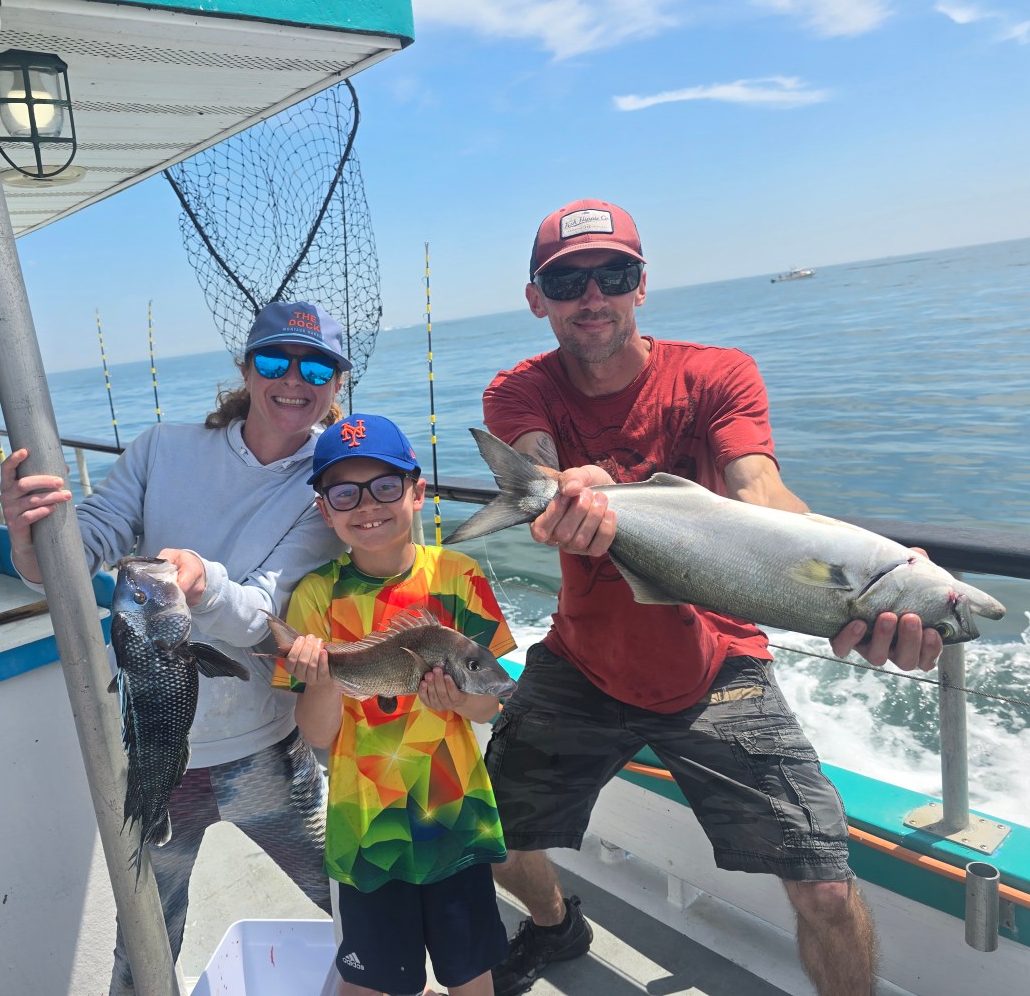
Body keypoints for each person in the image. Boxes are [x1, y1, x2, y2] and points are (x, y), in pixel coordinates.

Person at [480, 199, 946, 996]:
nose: (591, 296)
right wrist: (565, 492)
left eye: (612, 275)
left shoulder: (715, 374)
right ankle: (557, 926)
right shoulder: (518, 388)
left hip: (717, 665)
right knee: (481, 829)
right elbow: (536, 465)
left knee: (826, 888)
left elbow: (758, 489)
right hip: (583, 661)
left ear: (640, 285)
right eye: (567, 281)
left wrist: (868, 581)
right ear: (537, 299)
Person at [0, 300, 352, 994]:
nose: (293, 378)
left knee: (353, 898)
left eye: (316, 365)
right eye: (274, 360)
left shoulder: (325, 486)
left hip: (262, 750)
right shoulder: (163, 448)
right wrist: (28, 532)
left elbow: (262, 617)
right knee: (147, 939)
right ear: (245, 369)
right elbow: (79, 547)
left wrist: (203, 584)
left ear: (337, 383)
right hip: (158, 756)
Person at [273, 413, 517, 996]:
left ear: (417, 491)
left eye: (385, 486)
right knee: (371, 983)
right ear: (323, 509)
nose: (367, 506)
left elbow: (492, 705)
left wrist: (460, 700)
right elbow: (316, 733)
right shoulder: (315, 596)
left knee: (470, 975)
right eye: (344, 493)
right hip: (366, 826)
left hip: (456, 816)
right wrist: (326, 676)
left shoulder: (457, 576)